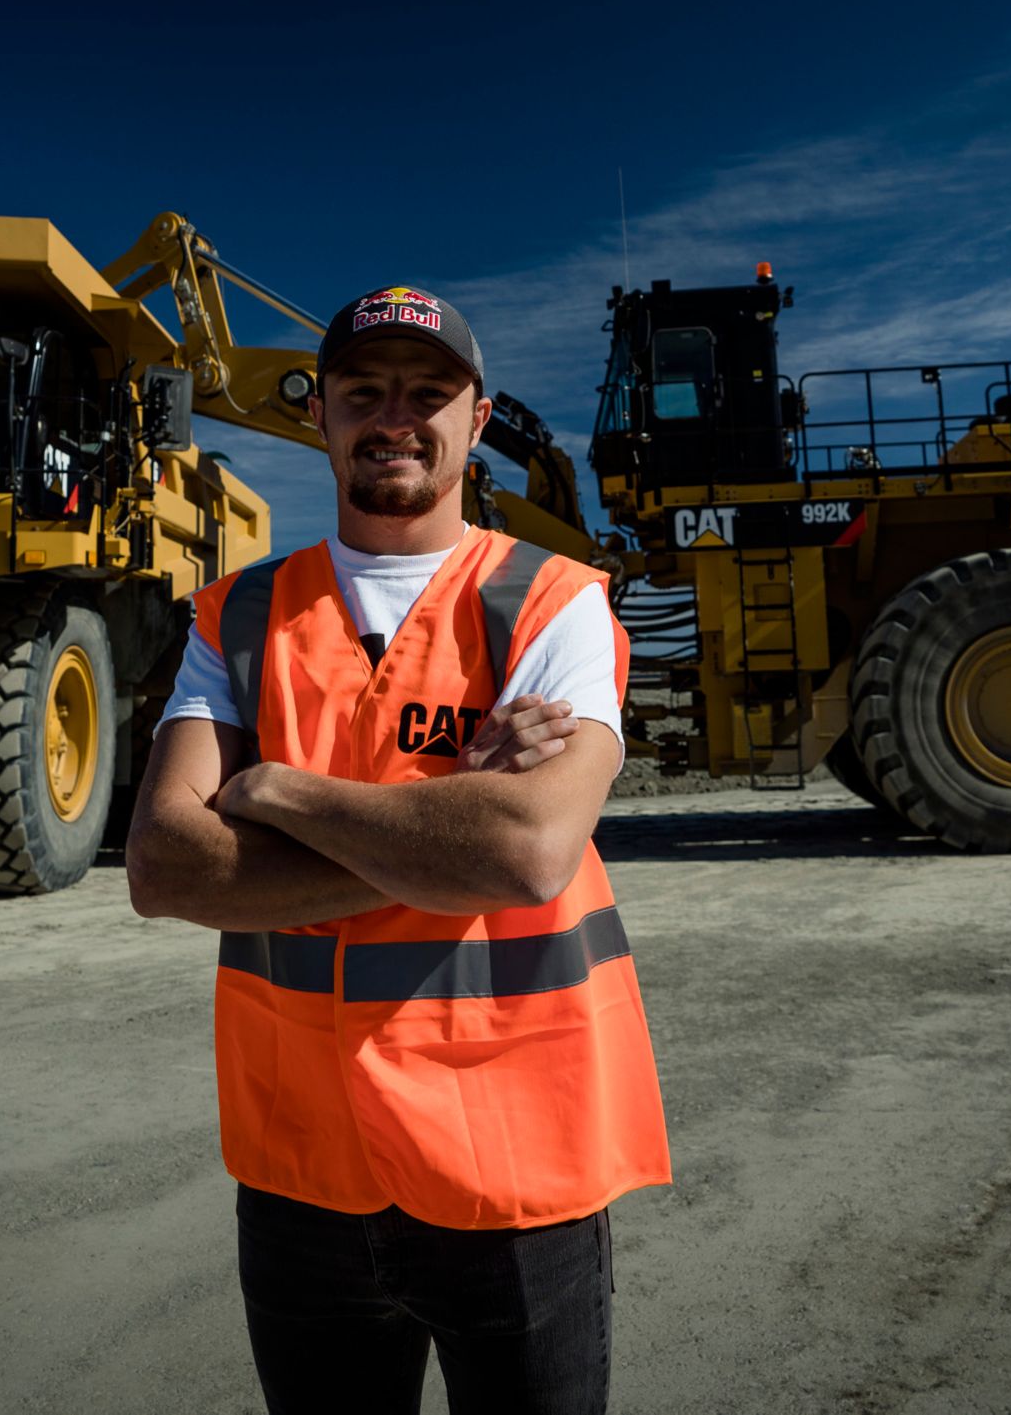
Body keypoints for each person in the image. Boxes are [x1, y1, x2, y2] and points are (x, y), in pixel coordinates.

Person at [126, 284, 672, 1414]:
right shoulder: (233, 616)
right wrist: (441, 822)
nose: (395, 416)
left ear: (477, 422)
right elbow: (168, 867)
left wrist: (276, 789)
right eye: (364, 391)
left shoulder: (552, 601)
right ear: (320, 415)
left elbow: (524, 848)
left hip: (513, 1170)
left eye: (430, 393)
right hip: (300, 1172)